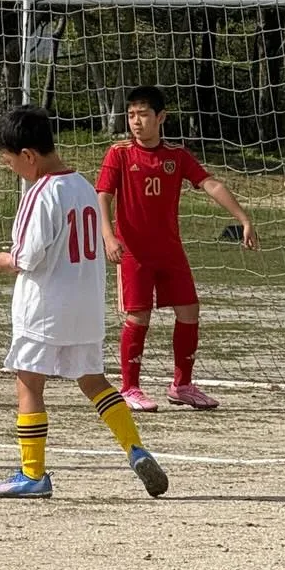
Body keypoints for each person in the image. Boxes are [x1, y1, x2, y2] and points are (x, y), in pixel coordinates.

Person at [0, 106, 167, 500]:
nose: (12, 169)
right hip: (86, 306)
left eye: (10, 161)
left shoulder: (41, 192)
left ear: (29, 156)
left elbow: (30, 255)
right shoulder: (84, 187)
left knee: (29, 382)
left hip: (45, 306)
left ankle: (32, 474)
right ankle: (135, 448)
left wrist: (7, 259)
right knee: (93, 381)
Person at [97, 85, 259, 412]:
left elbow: (210, 183)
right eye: (131, 115)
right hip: (135, 253)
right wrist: (109, 237)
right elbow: (102, 195)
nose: (136, 122)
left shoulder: (177, 155)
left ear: (161, 117)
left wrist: (243, 217)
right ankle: (129, 388)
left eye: (143, 115)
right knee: (138, 316)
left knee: (189, 310)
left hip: (170, 251)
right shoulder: (120, 152)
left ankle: (181, 385)